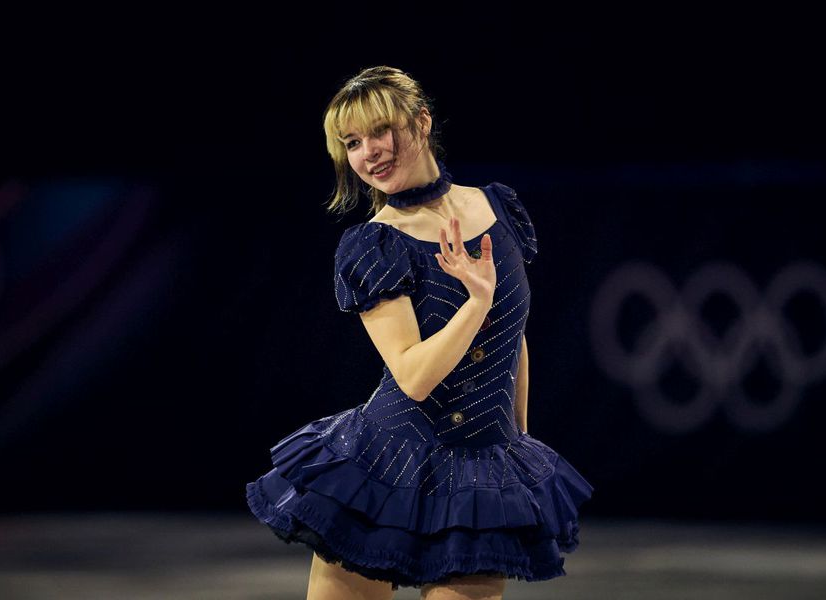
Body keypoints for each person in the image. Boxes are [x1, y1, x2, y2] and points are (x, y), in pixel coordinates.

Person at [246, 66, 594, 600]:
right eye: (352, 143)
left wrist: (516, 444)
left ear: (422, 121)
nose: (369, 153)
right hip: (383, 468)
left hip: (480, 473)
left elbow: (512, 338)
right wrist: (477, 301)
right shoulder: (375, 243)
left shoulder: (497, 207)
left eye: (379, 131)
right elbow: (412, 376)